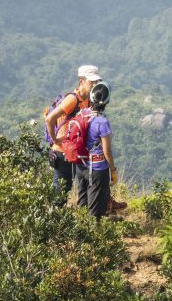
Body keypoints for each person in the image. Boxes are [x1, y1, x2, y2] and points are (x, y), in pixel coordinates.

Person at [44, 64, 100, 202]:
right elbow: (50, 119)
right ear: (81, 81)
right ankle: (54, 221)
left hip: (76, 151)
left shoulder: (88, 100)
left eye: (96, 82)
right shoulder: (72, 99)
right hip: (62, 152)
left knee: (83, 186)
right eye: (91, 82)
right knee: (61, 193)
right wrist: (55, 140)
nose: (94, 85)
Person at [73, 80, 118, 220]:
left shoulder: (82, 113)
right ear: (106, 101)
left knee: (82, 204)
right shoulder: (102, 122)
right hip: (97, 169)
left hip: (81, 165)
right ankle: (94, 237)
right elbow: (107, 151)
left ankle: (79, 234)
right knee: (95, 210)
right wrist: (113, 170)